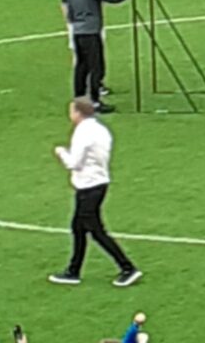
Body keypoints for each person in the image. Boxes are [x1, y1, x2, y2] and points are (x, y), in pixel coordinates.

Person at [49, 98, 142, 287]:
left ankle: (127, 268)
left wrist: (61, 152)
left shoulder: (82, 133)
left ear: (77, 113)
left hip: (88, 187)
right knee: (78, 227)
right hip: (99, 182)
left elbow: (74, 163)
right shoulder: (101, 129)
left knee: (95, 230)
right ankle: (73, 270)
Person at [65, 0, 126, 114]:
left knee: (81, 66)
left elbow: (69, 13)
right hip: (90, 33)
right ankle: (95, 101)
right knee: (95, 66)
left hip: (77, 32)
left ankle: (79, 98)